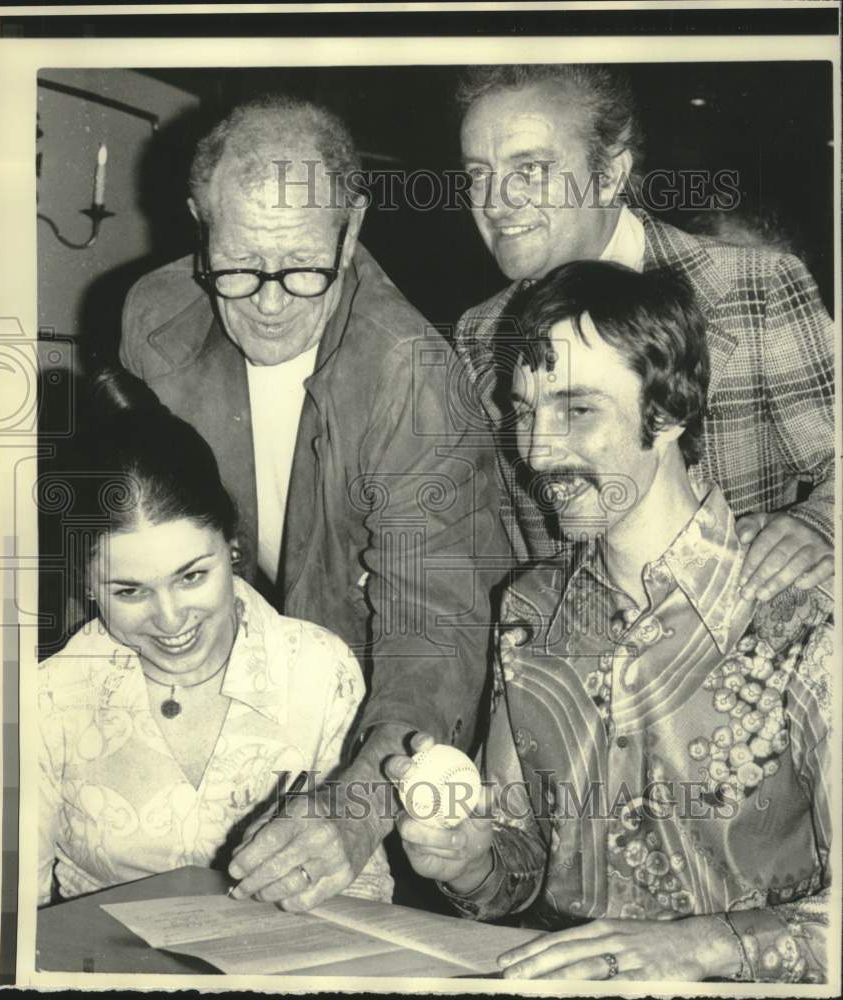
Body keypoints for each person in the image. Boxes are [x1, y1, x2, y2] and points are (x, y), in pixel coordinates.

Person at [388, 262, 832, 983]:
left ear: (673, 408)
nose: (536, 451)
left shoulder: (806, 614)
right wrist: (468, 863)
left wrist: (699, 946)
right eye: (525, 410)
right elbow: (519, 873)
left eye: (578, 410)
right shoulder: (528, 613)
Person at [120, 95, 499, 909]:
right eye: (237, 263)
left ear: (352, 231)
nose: (266, 299)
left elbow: (434, 631)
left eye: (301, 265)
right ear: (198, 222)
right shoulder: (153, 321)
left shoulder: (412, 377)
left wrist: (359, 808)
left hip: (364, 732)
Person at [453, 64, 834, 605]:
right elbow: (501, 538)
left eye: (531, 169)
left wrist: (820, 525)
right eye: (478, 174)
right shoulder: (481, 335)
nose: (494, 202)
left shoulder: (754, 287)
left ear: (608, 175)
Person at [38, 370, 391, 906]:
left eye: (192, 576)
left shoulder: (319, 672)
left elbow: (364, 889)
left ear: (231, 545)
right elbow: (15, 914)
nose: (172, 618)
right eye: (130, 592)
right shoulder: (48, 698)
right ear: (86, 587)